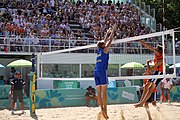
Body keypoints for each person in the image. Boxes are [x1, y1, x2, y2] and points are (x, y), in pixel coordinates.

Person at [94, 24, 116, 120]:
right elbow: (110, 41)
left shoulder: (99, 50)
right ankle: (105, 111)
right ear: (103, 45)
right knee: (104, 92)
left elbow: (105, 41)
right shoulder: (105, 49)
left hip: (96, 71)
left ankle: (102, 109)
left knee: (99, 92)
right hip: (102, 72)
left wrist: (107, 34)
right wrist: (113, 31)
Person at [135, 40, 164, 107]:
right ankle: (141, 102)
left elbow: (152, 68)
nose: (155, 50)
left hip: (159, 73)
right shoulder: (157, 56)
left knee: (151, 89)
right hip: (155, 72)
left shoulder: (161, 59)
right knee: (146, 86)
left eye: (156, 49)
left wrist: (148, 67)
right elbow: (150, 47)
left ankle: (142, 103)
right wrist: (141, 42)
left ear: (159, 51)